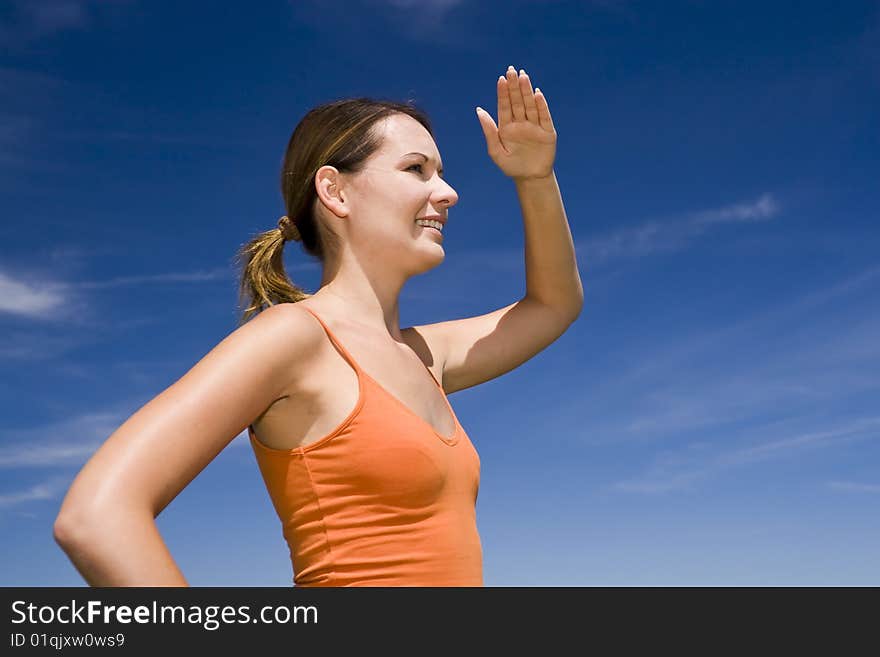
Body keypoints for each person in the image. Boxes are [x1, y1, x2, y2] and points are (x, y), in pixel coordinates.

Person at [53, 65, 583, 586]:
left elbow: (553, 305)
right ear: (334, 191)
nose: (447, 193)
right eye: (416, 169)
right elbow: (96, 517)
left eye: (441, 173)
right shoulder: (294, 337)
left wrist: (536, 178)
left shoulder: (424, 356)